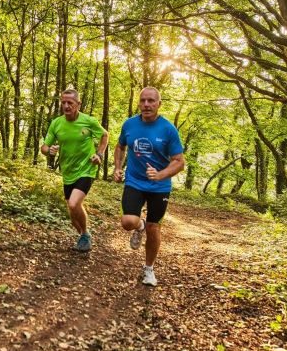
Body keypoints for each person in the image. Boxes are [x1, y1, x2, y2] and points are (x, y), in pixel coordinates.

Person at [113, 87, 185, 286]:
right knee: (128, 221)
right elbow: (120, 146)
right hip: (134, 181)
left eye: (151, 101)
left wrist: (160, 174)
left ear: (159, 104)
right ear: (139, 103)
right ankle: (139, 225)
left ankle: (149, 269)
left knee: (154, 228)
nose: (146, 104)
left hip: (160, 187)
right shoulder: (129, 124)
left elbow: (179, 161)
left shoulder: (168, 129)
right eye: (143, 100)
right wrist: (118, 167)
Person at [41, 89, 109, 252]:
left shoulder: (89, 121)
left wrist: (99, 154)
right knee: (72, 214)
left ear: (78, 104)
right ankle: (83, 235)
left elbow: (104, 135)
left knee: (73, 203)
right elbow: (44, 147)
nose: (66, 105)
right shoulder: (56, 123)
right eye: (63, 102)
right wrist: (48, 150)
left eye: (70, 102)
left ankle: (85, 235)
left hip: (86, 169)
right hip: (68, 171)